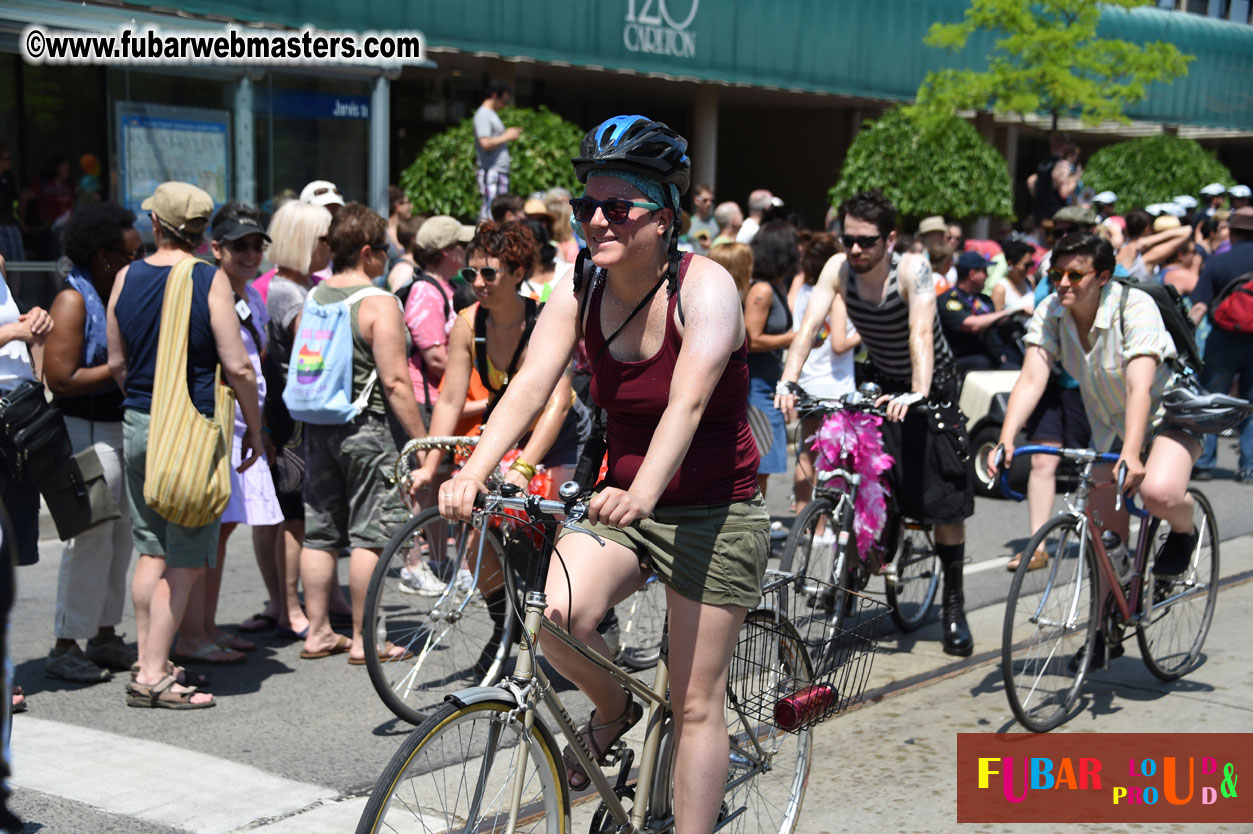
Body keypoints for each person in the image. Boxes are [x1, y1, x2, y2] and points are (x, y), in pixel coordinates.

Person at [438, 116, 767, 834]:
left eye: (617, 207)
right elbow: (529, 384)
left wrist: (644, 490)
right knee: (554, 618)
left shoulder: (705, 288)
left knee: (696, 699)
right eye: (587, 205)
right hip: (624, 500)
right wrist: (474, 470)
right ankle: (614, 708)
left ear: (664, 217)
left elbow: (687, 400)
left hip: (711, 509)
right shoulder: (581, 282)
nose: (595, 219)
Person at [776, 189, 975, 658]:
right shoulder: (838, 268)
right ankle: (853, 567)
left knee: (941, 501)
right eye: (848, 239)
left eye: (866, 241)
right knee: (868, 478)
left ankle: (953, 605)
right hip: (882, 379)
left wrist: (920, 392)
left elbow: (921, 333)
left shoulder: (912, 269)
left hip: (932, 386)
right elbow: (809, 327)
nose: (855, 250)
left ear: (889, 240)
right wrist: (788, 380)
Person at [106, 181, 264, 709]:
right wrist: (256, 428)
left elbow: (116, 363)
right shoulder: (208, 279)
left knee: (151, 548)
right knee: (188, 556)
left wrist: (144, 403)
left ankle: (149, 656)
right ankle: (152, 674)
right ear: (201, 232)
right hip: (192, 429)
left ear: (155, 224)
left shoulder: (127, 275)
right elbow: (238, 364)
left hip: (137, 422)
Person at [992, 232, 1200, 593]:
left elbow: (1139, 387)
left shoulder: (1133, 306)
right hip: (1110, 424)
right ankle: (1105, 633)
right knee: (1105, 538)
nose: (1062, 284)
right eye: (1055, 275)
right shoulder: (1052, 312)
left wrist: (1132, 454)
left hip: (1166, 415)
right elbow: (1030, 379)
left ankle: (1185, 530)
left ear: (1103, 277)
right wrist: (1006, 438)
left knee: (1158, 492)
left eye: (1075, 275)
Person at [295, 203, 428, 665]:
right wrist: (421, 444)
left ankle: (316, 632)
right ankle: (364, 639)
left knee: (320, 532)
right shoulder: (378, 303)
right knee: (369, 536)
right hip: (367, 429)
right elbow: (395, 383)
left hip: (317, 427)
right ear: (367, 253)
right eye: (383, 253)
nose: (387, 261)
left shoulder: (313, 297)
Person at [171, 203, 284, 665]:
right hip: (221, 423)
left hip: (246, 423)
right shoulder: (208, 290)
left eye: (258, 245)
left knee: (224, 528)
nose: (251, 253)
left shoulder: (251, 295)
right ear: (215, 248)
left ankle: (207, 625)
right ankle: (192, 631)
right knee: (211, 531)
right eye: (240, 245)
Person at [42, 202, 140, 684]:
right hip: (84, 432)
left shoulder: (114, 294)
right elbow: (59, 378)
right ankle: (66, 643)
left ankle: (104, 634)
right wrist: (124, 370)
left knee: (120, 538)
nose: (135, 263)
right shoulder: (73, 300)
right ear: (103, 256)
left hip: (116, 428)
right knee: (90, 537)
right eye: (129, 255)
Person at [237, 199, 336, 640]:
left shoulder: (292, 287)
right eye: (323, 238)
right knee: (293, 516)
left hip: (287, 415)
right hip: (289, 418)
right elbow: (313, 351)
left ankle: (287, 604)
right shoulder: (287, 292)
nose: (330, 246)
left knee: (286, 514)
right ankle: (289, 608)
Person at [788, 231, 858, 514]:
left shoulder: (803, 291)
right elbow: (840, 343)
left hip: (807, 382)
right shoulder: (836, 298)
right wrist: (865, 332)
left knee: (806, 453)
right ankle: (820, 525)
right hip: (834, 386)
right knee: (831, 459)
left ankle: (802, 512)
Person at [1189, 207, 1253, 483]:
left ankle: (1203, 462)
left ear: (1234, 233)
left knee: (1212, 399)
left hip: (1223, 339)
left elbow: (1200, 305)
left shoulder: (1218, 262)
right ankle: (1249, 467)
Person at [404, 215, 474, 426]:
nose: (468, 250)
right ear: (447, 250)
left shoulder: (450, 286)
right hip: (431, 403)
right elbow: (435, 359)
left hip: (450, 395)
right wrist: (478, 383)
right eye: (463, 244)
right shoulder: (425, 292)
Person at [744, 220, 797, 496]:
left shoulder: (777, 287)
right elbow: (750, 340)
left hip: (769, 384)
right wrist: (793, 338)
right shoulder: (762, 290)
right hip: (756, 389)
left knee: (766, 463)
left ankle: (759, 526)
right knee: (759, 461)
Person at [939, 250, 1025, 375]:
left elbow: (995, 326)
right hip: (961, 362)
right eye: (984, 271)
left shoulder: (984, 300)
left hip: (990, 357)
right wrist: (1011, 311)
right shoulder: (948, 300)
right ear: (972, 274)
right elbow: (972, 325)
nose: (987, 276)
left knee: (1018, 364)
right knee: (983, 362)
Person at [474, 80, 522, 222]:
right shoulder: (483, 114)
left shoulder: (490, 114)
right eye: (504, 101)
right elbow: (485, 143)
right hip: (491, 170)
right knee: (491, 210)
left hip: (496, 171)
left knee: (497, 210)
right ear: (495, 96)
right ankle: (487, 241)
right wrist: (506, 136)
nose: (504, 105)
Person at [0, 148, 23, 262]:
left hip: (10, 223)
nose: (9, 162)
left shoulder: (10, 177)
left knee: (16, 261)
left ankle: (15, 281)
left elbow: (16, 199)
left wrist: (20, 219)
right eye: (6, 158)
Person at [686, 184, 717, 255]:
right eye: (705, 200)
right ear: (696, 200)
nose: (709, 203)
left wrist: (711, 247)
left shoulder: (717, 222)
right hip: (693, 264)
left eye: (711, 200)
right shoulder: (688, 223)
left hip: (712, 264)